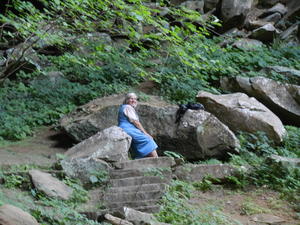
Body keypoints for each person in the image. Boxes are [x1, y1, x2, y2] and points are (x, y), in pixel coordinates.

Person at [118, 93, 158, 159]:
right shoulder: (128, 107)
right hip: (128, 129)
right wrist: (146, 133)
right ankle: (156, 159)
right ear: (127, 100)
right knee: (148, 139)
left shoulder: (123, 107)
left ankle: (142, 159)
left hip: (127, 129)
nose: (133, 100)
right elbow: (136, 122)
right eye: (131, 98)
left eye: (135, 99)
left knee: (137, 144)